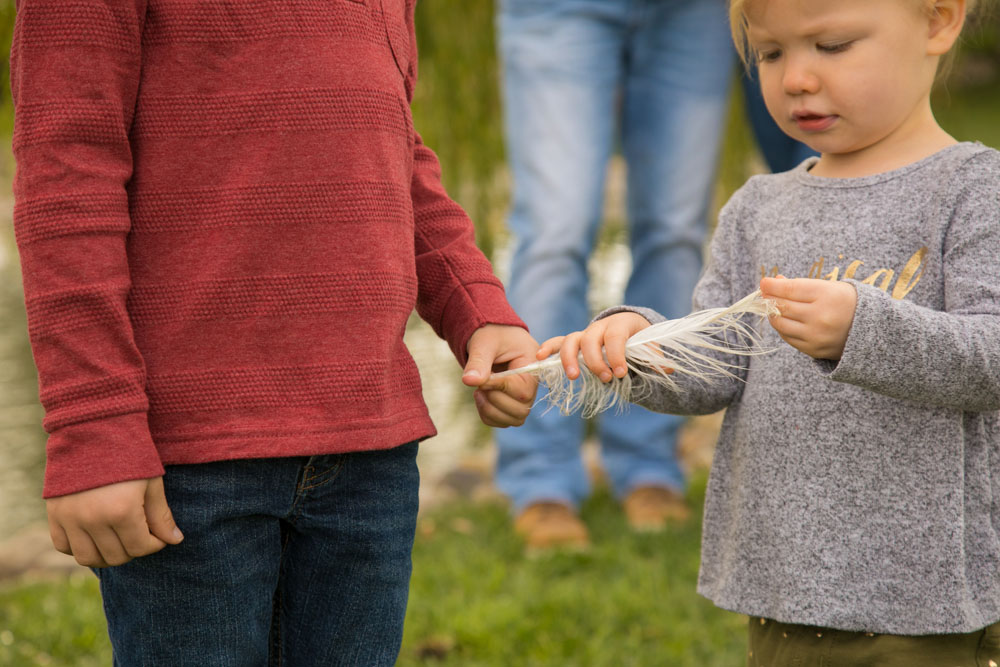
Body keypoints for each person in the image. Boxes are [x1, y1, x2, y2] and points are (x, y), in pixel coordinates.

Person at [10, 1, 537, 664]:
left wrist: (476, 306)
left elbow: (393, 151)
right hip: (190, 465)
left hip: (371, 451)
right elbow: (68, 176)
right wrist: (93, 424)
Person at [540, 0, 1000, 663]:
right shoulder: (758, 207)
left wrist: (861, 330)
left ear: (937, 21)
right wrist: (637, 344)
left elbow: (989, 358)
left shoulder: (973, 189)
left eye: (833, 46)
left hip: (930, 613)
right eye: (771, 54)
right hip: (784, 598)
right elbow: (718, 364)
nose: (796, 80)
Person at [492, 0, 735, 552]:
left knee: (675, 230)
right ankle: (541, 479)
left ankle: (649, 461)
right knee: (555, 231)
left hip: (692, 12)